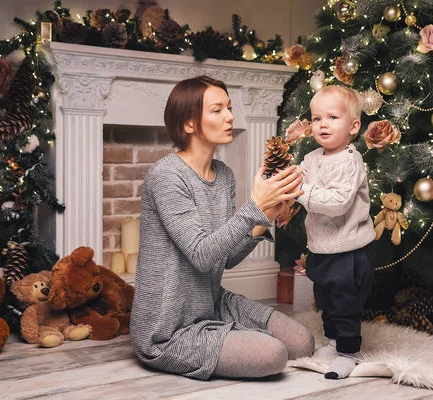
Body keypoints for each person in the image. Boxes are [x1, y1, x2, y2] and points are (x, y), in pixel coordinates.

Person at [130, 75, 314, 380]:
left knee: (302, 342)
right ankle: (228, 338)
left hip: (211, 302)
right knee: (273, 354)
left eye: (229, 108)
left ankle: (229, 333)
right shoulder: (166, 176)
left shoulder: (224, 175)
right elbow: (202, 255)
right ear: (189, 124)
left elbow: (225, 258)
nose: (230, 116)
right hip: (168, 328)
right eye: (217, 110)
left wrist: (267, 214)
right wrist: (254, 205)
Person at [294, 85, 375, 379]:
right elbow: (296, 178)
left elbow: (338, 203)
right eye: (316, 119)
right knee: (325, 299)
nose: (323, 124)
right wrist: (283, 176)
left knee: (346, 303)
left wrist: (300, 190)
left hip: (349, 250)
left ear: (353, 126)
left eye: (332, 117)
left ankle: (349, 352)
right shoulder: (313, 158)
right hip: (320, 247)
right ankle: (333, 342)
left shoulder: (351, 160)